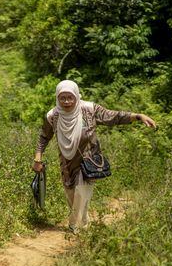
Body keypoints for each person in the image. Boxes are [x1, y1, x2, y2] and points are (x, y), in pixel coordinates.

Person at [32, 80, 156, 234]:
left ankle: (74, 227)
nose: (66, 102)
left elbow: (113, 117)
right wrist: (38, 159)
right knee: (72, 195)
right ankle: (83, 222)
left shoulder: (89, 109)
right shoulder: (53, 116)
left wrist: (137, 116)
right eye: (62, 98)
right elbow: (44, 137)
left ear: (77, 96)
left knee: (80, 192)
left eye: (70, 97)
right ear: (57, 98)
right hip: (66, 162)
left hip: (88, 161)